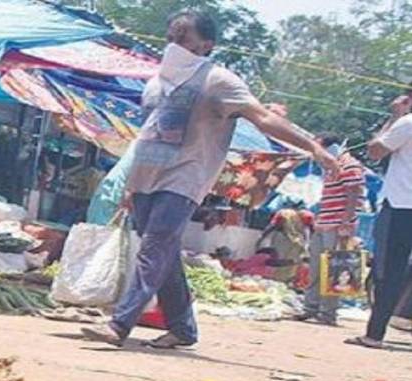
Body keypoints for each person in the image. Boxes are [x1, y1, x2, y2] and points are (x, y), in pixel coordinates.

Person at [81, 10, 338, 349]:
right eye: (171, 38)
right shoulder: (156, 83)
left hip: (186, 175)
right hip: (145, 178)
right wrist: (131, 185)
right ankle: (183, 329)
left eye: (184, 40)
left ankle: (120, 323)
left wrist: (313, 148)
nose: (174, 46)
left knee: (154, 247)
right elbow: (147, 134)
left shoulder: (219, 81)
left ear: (206, 45)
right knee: (164, 253)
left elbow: (262, 118)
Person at [347, 85, 412, 349]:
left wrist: (394, 116)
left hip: (402, 204)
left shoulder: (408, 122)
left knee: (388, 271)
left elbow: (375, 151)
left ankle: (374, 334)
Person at [298, 135, 366, 325]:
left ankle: (328, 313)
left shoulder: (350, 165)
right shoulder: (330, 167)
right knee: (315, 268)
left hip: (337, 224)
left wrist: (347, 222)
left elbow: (353, 193)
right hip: (323, 221)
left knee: (336, 270)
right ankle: (310, 308)